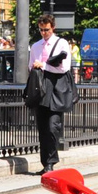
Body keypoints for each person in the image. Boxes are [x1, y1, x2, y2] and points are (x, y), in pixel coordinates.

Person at [29, 14, 76, 172]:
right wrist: (37, 67)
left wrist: (43, 65)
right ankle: (46, 164)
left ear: (53, 28)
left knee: (52, 126)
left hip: (56, 88)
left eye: (47, 30)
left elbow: (64, 67)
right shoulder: (36, 46)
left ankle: (51, 161)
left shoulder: (61, 43)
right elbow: (30, 66)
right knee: (42, 127)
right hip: (41, 87)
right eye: (41, 30)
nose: (44, 33)